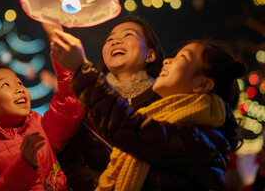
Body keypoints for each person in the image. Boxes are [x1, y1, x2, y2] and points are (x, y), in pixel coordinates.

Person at [49, 30, 245, 190]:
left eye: (182, 57)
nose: (168, 60)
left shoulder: (202, 140)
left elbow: (130, 130)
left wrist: (82, 70)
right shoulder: (158, 116)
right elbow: (71, 162)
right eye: (110, 37)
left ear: (202, 84)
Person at [41, 15, 165, 190]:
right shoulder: (86, 101)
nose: (115, 42)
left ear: (151, 54)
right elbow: (70, 164)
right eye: (110, 39)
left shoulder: (165, 100)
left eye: (128, 35)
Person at [0, 58, 84, 190]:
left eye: (19, 82)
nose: (20, 89)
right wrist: (24, 165)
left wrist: (63, 62)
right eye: (5, 85)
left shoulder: (37, 124)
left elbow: (69, 106)